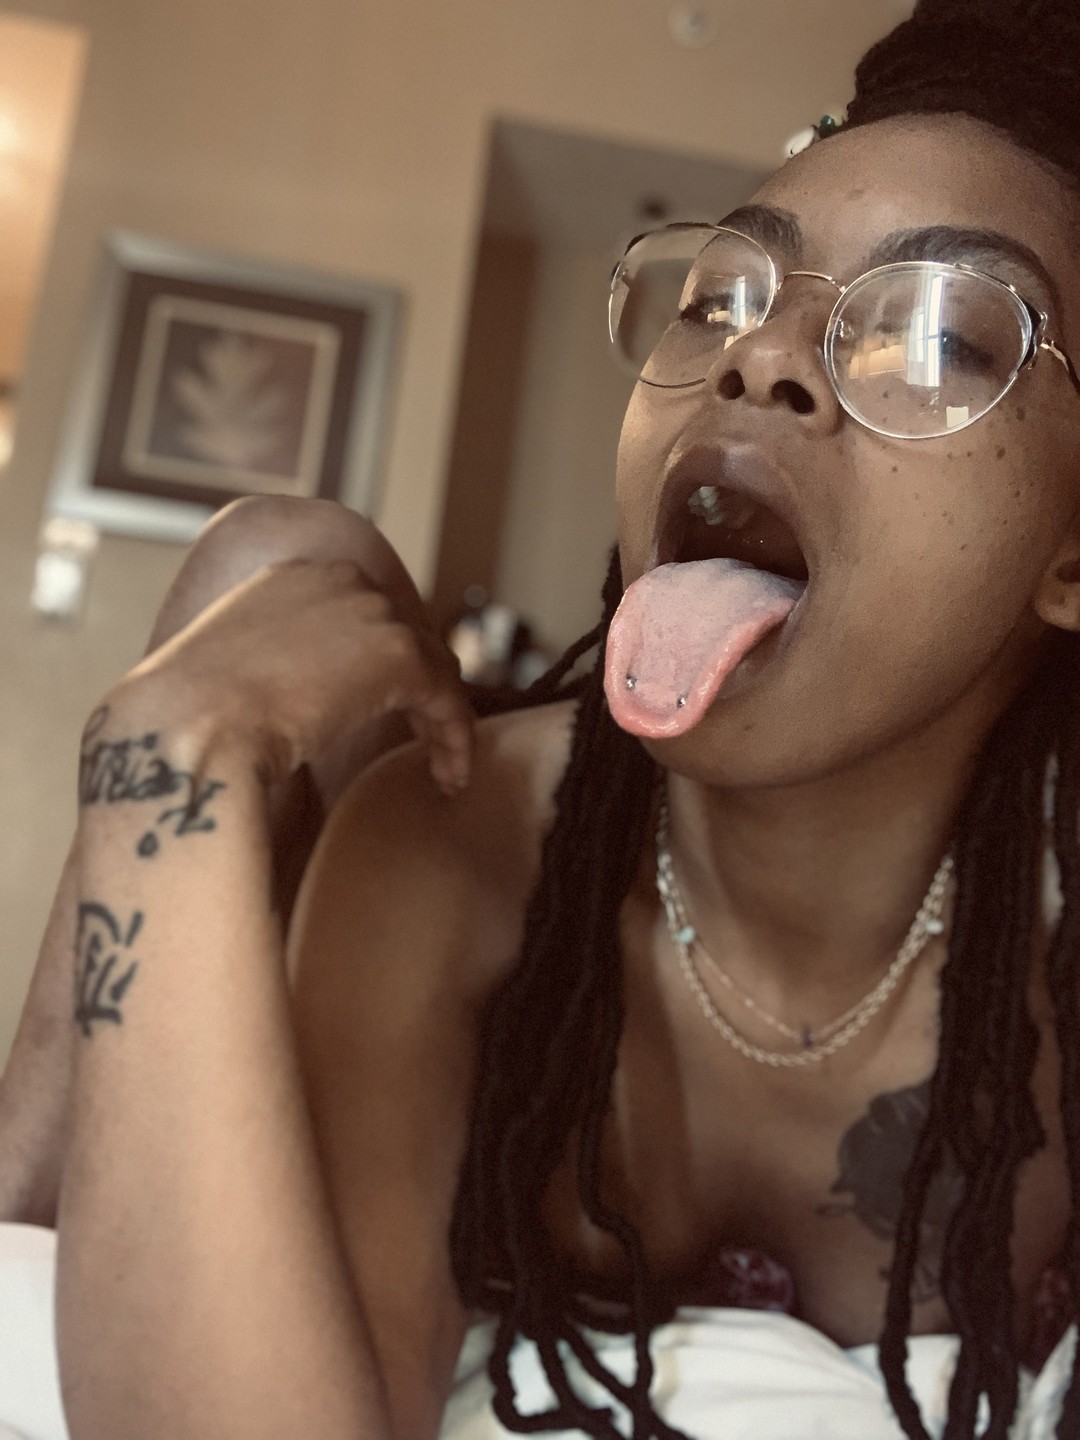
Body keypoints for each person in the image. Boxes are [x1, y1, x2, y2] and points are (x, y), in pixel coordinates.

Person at [9, 0, 1080, 1435]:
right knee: (267, 555)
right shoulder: (451, 848)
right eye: (723, 293)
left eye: (936, 332)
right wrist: (161, 766)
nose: (763, 355)